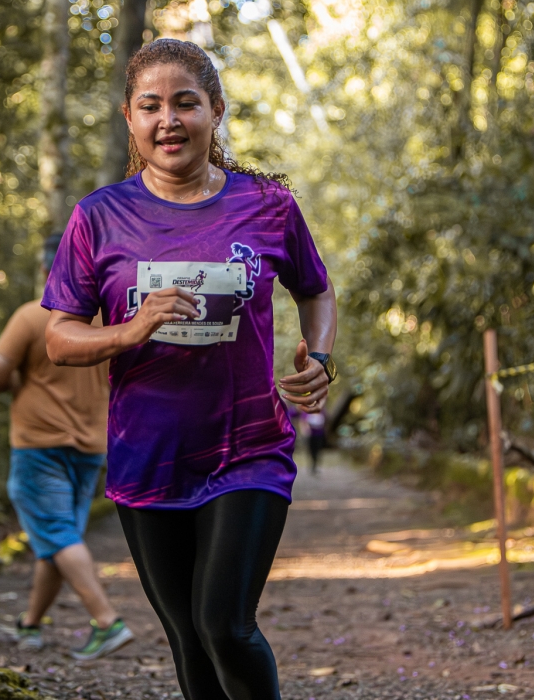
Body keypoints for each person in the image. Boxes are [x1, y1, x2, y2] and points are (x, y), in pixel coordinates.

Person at [42, 38, 337, 700]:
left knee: (224, 626)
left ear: (216, 111)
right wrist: (131, 328)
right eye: (151, 106)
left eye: (185, 103)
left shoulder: (267, 204)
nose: (168, 120)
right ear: (129, 118)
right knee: (187, 637)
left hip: (249, 447)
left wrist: (318, 356)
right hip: (147, 456)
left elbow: (316, 291)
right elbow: (59, 338)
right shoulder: (99, 216)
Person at [0, 234, 135, 659]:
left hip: (39, 445)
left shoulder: (34, 316)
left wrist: (19, 378)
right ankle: (31, 624)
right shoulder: (113, 321)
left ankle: (107, 621)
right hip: (91, 446)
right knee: (58, 541)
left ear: (48, 269)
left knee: (58, 535)